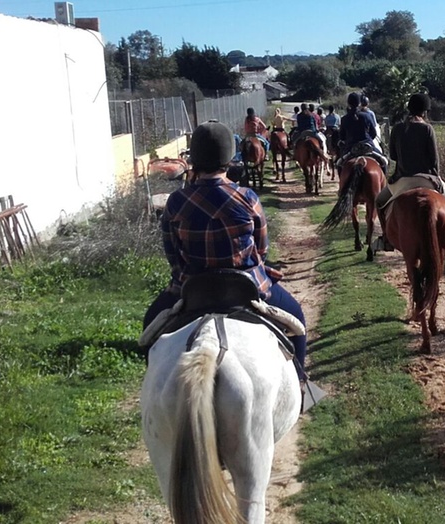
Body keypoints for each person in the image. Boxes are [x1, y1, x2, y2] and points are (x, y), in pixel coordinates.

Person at [143, 121, 308, 384]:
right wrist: (257, 267)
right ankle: (300, 384)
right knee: (297, 318)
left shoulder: (177, 201)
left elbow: (172, 253)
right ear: (229, 157)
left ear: (194, 158)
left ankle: (151, 381)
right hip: (245, 287)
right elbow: (262, 250)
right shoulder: (248, 196)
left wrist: (181, 278)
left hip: (193, 289)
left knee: (149, 325)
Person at [374, 93, 445, 251]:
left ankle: (386, 239)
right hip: (427, 179)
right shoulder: (427, 128)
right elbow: (434, 160)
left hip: (402, 180)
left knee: (379, 202)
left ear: (409, 109)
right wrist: (437, 179)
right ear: (425, 111)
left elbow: (394, 156)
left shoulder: (397, 128)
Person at [336, 92, 388, 172]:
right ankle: (384, 183)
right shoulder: (367, 116)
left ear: (348, 104)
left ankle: (342, 184)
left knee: (339, 165)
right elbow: (373, 134)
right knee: (384, 162)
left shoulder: (344, 119)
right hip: (368, 147)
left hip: (351, 149)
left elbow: (342, 137)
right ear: (359, 103)